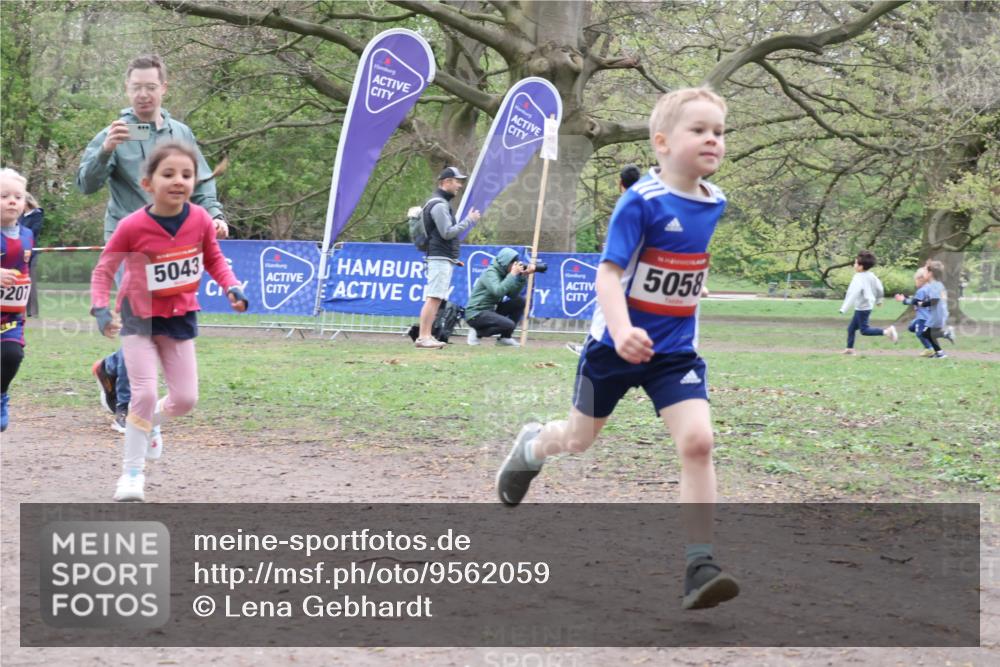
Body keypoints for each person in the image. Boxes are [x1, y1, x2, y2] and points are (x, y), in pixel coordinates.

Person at [496, 88, 740, 610]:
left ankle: (700, 564)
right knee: (578, 440)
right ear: (662, 142)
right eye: (698, 130)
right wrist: (626, 327)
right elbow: (609, 275)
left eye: (718, 132)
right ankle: (533, 446)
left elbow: (683, 261)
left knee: (698, 442)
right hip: (613, 348)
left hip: (673, 353)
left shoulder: (715, 202)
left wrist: (688, 285)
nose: (712, 140)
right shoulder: (640, 201)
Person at [77, 53, 230, 432]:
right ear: (126, 90)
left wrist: (214, 215)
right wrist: (106, 151)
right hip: (128, 244)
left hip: (172, 248)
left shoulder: (181, 133)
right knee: (140, 319)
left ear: (164, 88)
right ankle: (129, 409)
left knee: (158, 324)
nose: (143, 94)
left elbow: (203, 182)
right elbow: (85, 185)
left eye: (150, 86)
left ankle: (112, 367)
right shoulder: (112, 133)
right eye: (136, 87)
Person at [90, 142, 247, 502]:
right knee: (143, 395)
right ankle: (131, 475)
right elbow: (104, 269)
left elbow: (215, 260)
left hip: (179, 319)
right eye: (169, 174)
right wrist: (100, 307)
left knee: (185, 400)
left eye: (187, 175)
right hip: (138, 320)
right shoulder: (132, 226)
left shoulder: (200, 221)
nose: (179, 181)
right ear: (148, 183)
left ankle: (147, 428)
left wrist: (231, 286)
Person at [566, 164, 643, 356]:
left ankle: (590, 348)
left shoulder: (626, 205)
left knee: (604, 306)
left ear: (620, 183)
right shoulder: (647, 203)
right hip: (642, 271)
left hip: (622, 269)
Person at [415, 167, 480, 349]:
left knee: (436, 297)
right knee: (434, 297)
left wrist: (452, 258)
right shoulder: (439, 205)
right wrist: (469, 220)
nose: (459, 185)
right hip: (438, 257)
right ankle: (423, 337)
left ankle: (427, 335)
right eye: (457, 181)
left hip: (441, 257)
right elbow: (447, 233)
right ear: (446, 182)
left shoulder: (439, 203)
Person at [1, 168, 34, 432]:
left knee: (12, 354)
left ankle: (1, 396)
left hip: (10, 314)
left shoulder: (27, 235)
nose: (12, 201)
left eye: (17, 197)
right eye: (4, 196)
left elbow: (25, 269)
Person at [465, 248, 539, 347]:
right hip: (476, 313)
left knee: (520, 301)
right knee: (509, 325)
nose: (515, 266)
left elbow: (512, 294)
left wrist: (523, 277)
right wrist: (512, 274)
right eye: (513, 263)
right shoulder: (490, 273)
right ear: (505, 262)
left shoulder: (504, 274)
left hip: (490, 310)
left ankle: (505, 338)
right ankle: (477, 331)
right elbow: (498, 291)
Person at [838, 250, 897, 354]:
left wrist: (844, 308)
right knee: (851, 328)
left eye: (855, 263)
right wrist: (879, 300)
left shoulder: (858, 278)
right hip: (866, 306)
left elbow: (852, 293)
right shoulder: (872, 275)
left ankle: (887, 332)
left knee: (864, 330)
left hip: (862, 308)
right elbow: (880, 288)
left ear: (860, 267)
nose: (854, 265)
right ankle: (849, 349)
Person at [900, 259, 950, 359]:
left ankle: (940, 348)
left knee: (926, 333)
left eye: (926, 272)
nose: (924, 274)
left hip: (936, 315)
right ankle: (940, 352)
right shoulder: (935, 285)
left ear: (930, 273)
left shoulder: (935, 285)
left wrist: (922, 303)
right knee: (927, 333)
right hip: (936, 315)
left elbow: (935, 300)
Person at [894, 267, 935, 356]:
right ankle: (930, 343)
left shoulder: (921, 290)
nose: (915, 283)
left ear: (920, 279)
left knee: (919, 333)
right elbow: (917, 299)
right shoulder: (929, 288)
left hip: (923, 317)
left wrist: (903, 300)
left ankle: (929, 348)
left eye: (915, 280)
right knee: (911, 327)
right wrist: (906, 298)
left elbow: (914, 301)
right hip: (929, 316)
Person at [19, 193, 43, 318]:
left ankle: (33, 312)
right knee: (20, 281)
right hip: (19, 252)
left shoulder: (37, 215)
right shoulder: (20, 216)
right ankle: (21, 309)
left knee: (31, 282)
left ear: (26, 202)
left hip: (31, 253)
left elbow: (33, 232)